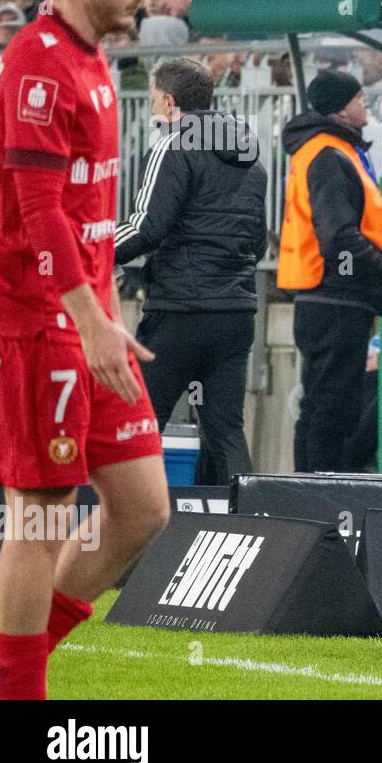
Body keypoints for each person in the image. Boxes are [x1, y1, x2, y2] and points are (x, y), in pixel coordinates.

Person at [0, 0, 168, 702]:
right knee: (40, 518)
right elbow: (39, 213)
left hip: (90, 322)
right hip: (41, 324)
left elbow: (87, 212)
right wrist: (90, 319)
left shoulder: (90, 56)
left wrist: (103, 316)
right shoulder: (37, 64)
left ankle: (17, 663)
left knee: (141, 508)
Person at [114, 59, 267, 485]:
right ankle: (246, 531)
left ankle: (129, 537)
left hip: (180, 311)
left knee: (141, 425)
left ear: (169, 100)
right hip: (236, 313)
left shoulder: (173, 144)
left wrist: (88, 253)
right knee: (225, 432)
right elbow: (258, 243)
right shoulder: (251, 158)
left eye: (151, 102)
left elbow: (146, 227)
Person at [278, 71, 382, 474]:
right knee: (330, 410)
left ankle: (307, 494)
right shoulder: (329, 154)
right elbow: (340, 236)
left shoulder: (326, 150)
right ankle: (318, 497)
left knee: (320, 405)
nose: (366, 103)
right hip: (336, 298)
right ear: (341, 108)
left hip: (325, 295)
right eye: (359, 97)